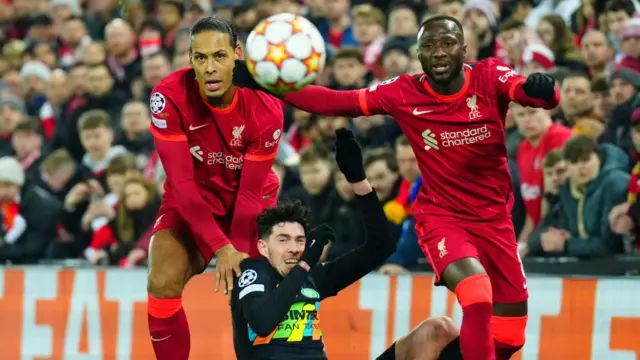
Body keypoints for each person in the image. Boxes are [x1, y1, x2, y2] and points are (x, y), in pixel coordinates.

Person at [235, 15, 560, 360]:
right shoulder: (404, 92)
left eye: (448, 44)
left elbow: (539, 96)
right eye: (429, 47)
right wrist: (265, 82)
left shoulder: (489, 76)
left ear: (464, 49)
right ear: (418, 56)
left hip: (495, 220)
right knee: (477, 294)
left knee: (509, 336)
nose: (439, 53)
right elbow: (337, 101)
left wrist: (543, 88)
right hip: (443, 217)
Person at [231, 129, 462, 360]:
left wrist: (359, 181)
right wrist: (305, 264)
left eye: (300, 240)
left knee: (440, 329)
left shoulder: (315, 278)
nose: (293, 247)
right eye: (283, 240)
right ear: (263, 247)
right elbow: (262, 322)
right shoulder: (254, 273)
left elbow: (381, 246)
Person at [146, 16, 283, 360]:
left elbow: (250, 195)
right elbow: (181, 184)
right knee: (161, 280)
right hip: (193, 201)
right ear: (190, 59)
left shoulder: (265, 107)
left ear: (237, 54)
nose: (209, 67)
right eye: (200, 57)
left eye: (219, 56)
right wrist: (220, 248)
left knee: (251, 300)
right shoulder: (168, 97)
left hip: (249, 206)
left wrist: (235, 251)